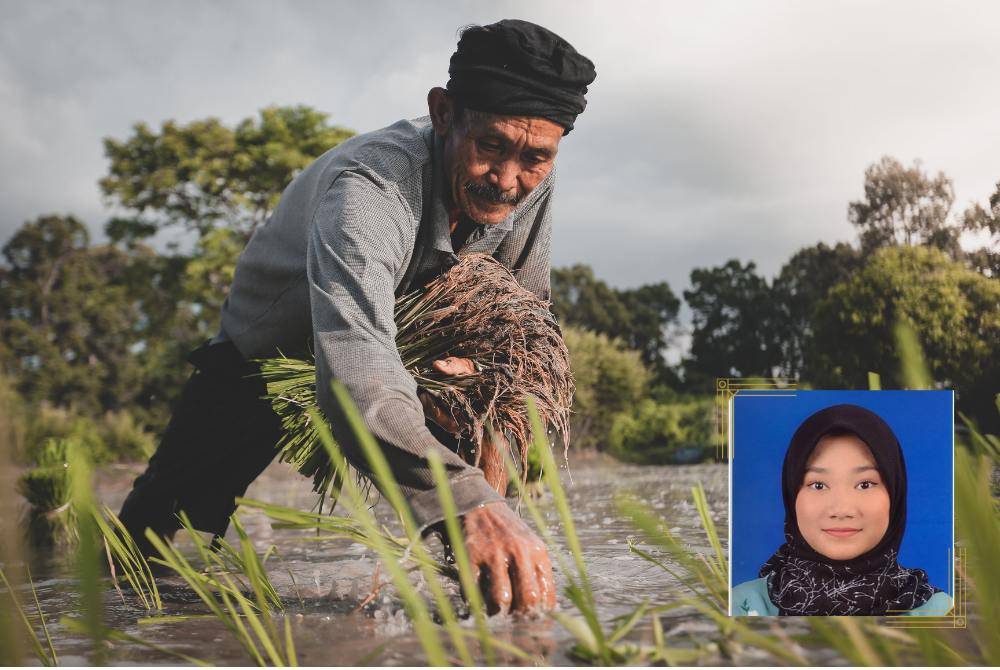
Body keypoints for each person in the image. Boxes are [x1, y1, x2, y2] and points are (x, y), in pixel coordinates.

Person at [117, 19, 596, 616]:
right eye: (491, 146)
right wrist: (464, 500)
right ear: (444, 113)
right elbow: (358, 367)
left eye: (535, 157)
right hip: (271, 352)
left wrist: (481, 379)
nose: (507, 180)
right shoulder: (371, 188)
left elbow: (523, 316)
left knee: (485, 424)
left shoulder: (531, 183)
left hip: (411, 346)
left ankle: (477, 606)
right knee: (158, 533)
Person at [732, 404, 953, 616]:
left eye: (865, 484)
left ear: (895, 495)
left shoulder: (942, 612)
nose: (841, 509)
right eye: (818, 485)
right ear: (791, 496)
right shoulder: (742, 606)